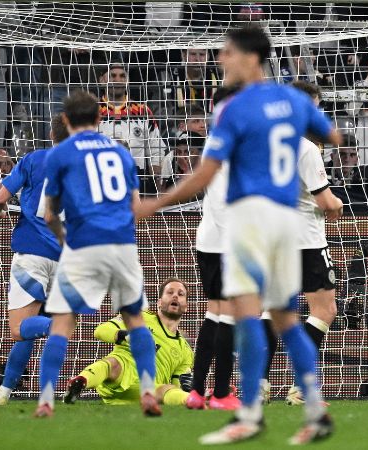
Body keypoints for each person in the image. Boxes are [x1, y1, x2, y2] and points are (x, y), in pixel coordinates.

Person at [136, 26, 342, 445]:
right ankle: (315, 410)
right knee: (286, 318)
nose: (220, 59)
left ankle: (249, 414)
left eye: (227, 52)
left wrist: (153, 205)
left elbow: (203, 176)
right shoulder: (292, 100)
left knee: (248, 317)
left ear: (250, 57)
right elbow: (333, 134)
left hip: (251, 221)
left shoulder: (234, 109)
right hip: (288, 224)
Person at [34, 91, 159, 418]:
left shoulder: (60, 154)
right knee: (134, 320)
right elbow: (135, 207)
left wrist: (65, 243)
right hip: (122, 244)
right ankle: (148, 392)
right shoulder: (121, 154)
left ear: (64, 120)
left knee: (63, 322)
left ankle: (46, 399)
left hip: (83, 243)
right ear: (100, 118)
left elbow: (49, 215)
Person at [261, 80, 344, 406]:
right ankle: (300, 388)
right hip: (305, 240)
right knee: (325, 310)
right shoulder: (305, 148)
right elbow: (327, 204)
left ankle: (260, 384)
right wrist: (336, 205)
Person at [0, 115, 70, 406]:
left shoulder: (33, 159)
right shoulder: (84, 167)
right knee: (27, 330)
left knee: (20, 328)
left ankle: (59, 327)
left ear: (51, 134)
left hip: (32, 254)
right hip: (68, 256)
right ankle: (7, 392)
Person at [185, 86, 243, 412]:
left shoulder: (216, 139)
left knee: (215, 312)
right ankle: (221, 393)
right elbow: (223, 199)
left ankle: (197, 390)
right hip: (226, 241)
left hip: (209, 240)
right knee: (228, 315)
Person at [63, 278, 193, 406]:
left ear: (186, 306)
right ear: (159, 302)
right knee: (113, 362)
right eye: (170, 292)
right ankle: (80, 382)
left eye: (180, 294)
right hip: (120, 374)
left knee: (167, 389)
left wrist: (189, 390)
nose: (175, 296)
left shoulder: (186, 351)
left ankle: (195, 401)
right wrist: (127, 336)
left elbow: (177, 385)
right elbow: (101, 330)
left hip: (146, 389)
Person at [98, 63, 168, 194]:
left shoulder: (142, 111)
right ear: (102, 80)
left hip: (137, 180)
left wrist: (155, 185)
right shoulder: (92, 112)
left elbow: (156, 150)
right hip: (101, 178)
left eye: (122, 76)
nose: (118, 80)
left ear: (128, 80)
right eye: (113, 76)